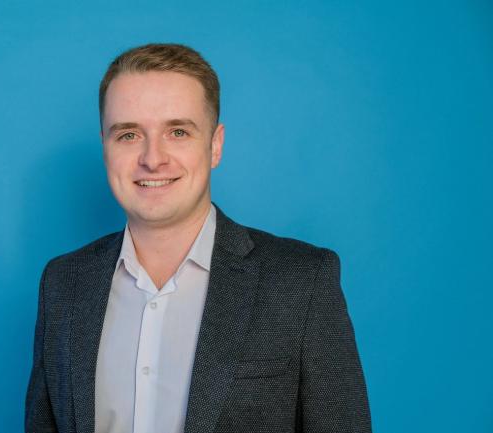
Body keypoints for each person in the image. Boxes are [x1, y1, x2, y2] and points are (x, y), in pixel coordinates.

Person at [25, 43, 371, 433]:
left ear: (215, 145)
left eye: (177, 132)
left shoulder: (300, 282)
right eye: (128, 135)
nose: (153, 159)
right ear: (105, 146)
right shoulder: (63, 283)